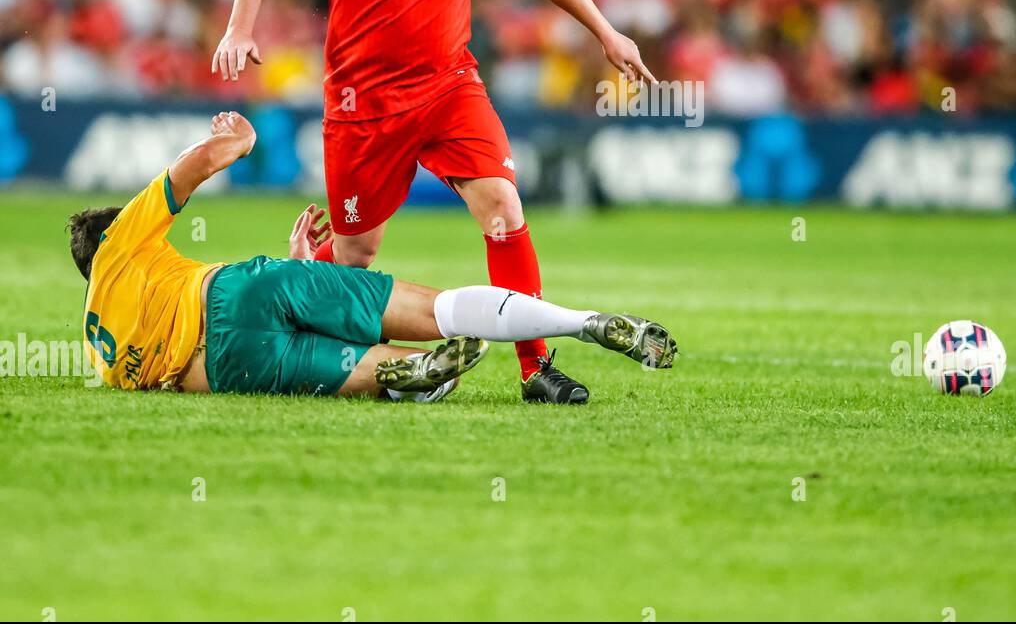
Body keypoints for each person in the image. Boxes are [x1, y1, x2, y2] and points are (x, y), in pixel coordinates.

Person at [211, 0, 657, 404]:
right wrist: (238, 28)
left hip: (450, 89)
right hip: (364, 105)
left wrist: (606, 32)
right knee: (355, 255)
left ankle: (535, 370)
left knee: (504, 208)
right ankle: (295, 297)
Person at [69, 110, 676, 398]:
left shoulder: (103, 360)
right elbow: (195, 165)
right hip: (237, 287)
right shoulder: (122, 240)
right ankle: (582, 323)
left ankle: (407, 375)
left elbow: (184, 378)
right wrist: (240, 139)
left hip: (228, 362)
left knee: (351, 369)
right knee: (442, 309)